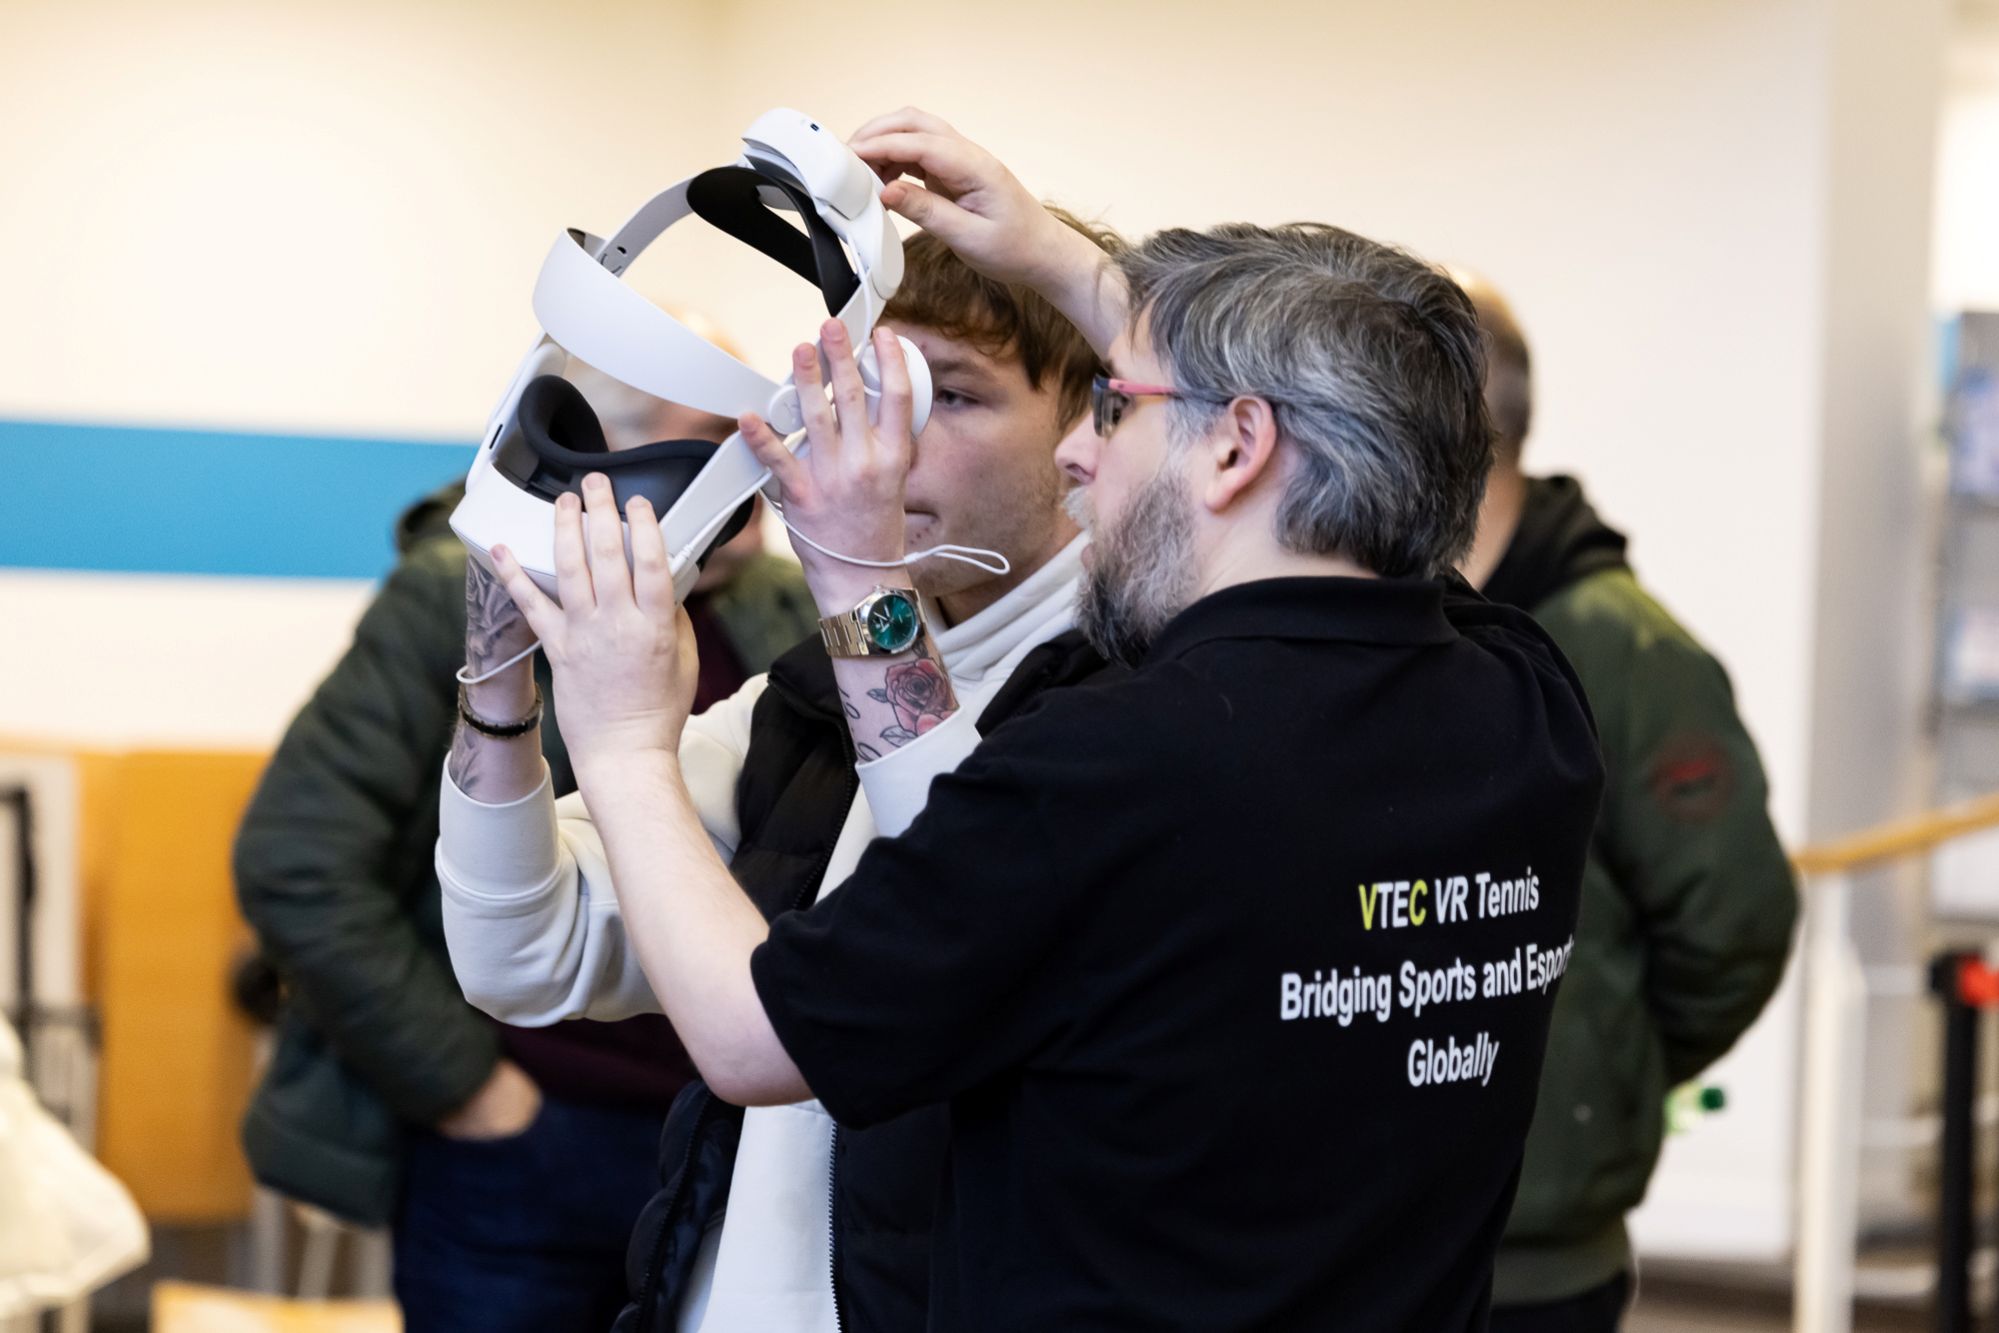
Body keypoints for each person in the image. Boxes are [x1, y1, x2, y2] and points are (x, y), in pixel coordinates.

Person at [450, 109, 1608, 1331]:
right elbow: (1365, 509)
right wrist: (1063, 268)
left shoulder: (1117, 758)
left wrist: (626, 738)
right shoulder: (1523, 695)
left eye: (1116, 406)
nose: (1079, 458)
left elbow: (759, 1034)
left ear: (1236, 446)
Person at [440, 213, 1116, 1332]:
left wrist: (855, 586)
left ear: (1093, 433)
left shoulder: (1132, 703)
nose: (885, 442)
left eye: (951, 395)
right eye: (869, 390)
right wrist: (500, 679)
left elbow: (953, 905)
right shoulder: (802, 705)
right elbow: (521, 952)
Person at [233, 357, 818, 1332]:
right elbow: (298, 857)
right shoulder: (452, 596)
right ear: (604, 458)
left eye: (760, 435)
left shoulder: (781, 606)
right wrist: (468, 1088)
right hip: (524, 1145)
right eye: (712, 441)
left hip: (719, 1136)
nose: (750, 466)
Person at [1453, 274, 1798, 1331]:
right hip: (1384, 1237)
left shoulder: (1626, 651)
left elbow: (1734, 927)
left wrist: (1601, 1075)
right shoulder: (1399, 638)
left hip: (1537, 1267)